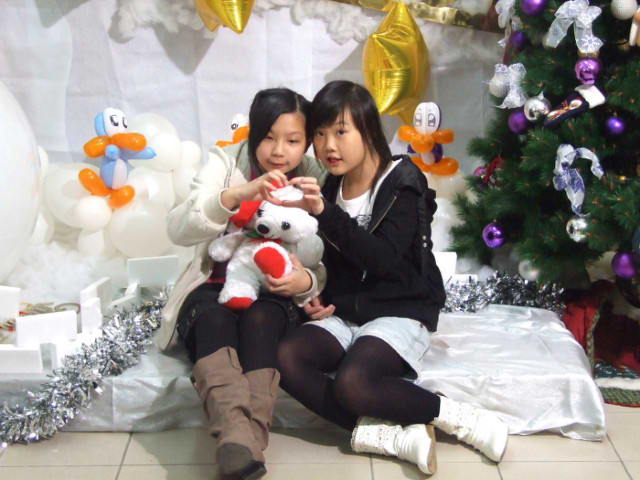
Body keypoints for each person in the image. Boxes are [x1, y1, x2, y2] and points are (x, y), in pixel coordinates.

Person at [276, 80, 509, 475]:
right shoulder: (330, 186)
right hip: (347, 312)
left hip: (400, 308)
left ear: (368, 129)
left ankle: (460, 418)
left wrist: (325, 214)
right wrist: (317, 293)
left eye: (340, 132)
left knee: (353, 382)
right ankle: (384, 436)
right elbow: (332, 261)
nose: (328, 145)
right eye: (320, 133)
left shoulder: (403, 179)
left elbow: (382, 259)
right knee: (286, 358)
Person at [157, 88, 327, 480]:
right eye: (268, 137)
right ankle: (238, 438)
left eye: (293, 140)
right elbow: (178, 228)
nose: (278, 151)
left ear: (307, 141)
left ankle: (240, 443)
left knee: (260, 321)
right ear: (253, 133)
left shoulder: (314, 174)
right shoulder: (227, 160)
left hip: (275, 291)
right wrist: (236, 194)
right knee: (213, 321)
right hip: (213, 282)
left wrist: (306, 281)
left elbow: (327, 255)